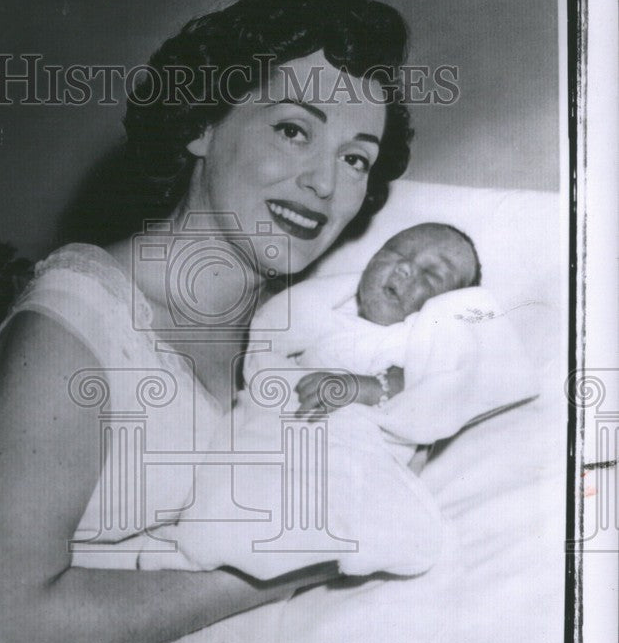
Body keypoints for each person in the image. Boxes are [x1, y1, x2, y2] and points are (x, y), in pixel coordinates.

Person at [0, 0, 417, 643]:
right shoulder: (73, 328)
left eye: (356, 157)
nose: (324, 182)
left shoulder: (282, 329)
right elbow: (2, 640)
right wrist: (290, 566)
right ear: (203, 125)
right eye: (294, 129)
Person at [72, 223, 537, 580]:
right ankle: (197, 544)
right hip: (274, 425)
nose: (404, 269)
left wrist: (362, 387)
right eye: (394, 253)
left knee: (314, 506)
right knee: (230, 480)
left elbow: (435, 387)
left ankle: (221, 548)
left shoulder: (415, 341)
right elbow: (265, 358)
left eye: (432, 276)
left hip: (348, 444)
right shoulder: (323, 315)